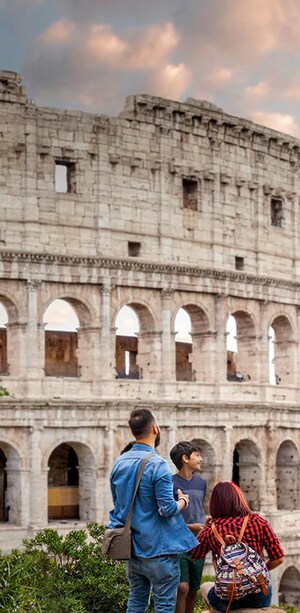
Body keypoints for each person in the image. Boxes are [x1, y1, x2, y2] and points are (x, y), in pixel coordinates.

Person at [108, 408, 199, 613]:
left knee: (136, 602)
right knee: (164, 606)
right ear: (155, 429)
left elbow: (120, 505)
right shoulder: (159, 465)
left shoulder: (119, 463)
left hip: (133, 548)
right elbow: (166, 509)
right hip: (159, 550)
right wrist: (183, 502)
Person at [192, 481, 284, 612]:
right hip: (260, 595)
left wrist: (205, 528)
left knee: (205, 586)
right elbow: (279, 558)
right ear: (239, 499)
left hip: (228, 597)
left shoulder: (212, 529)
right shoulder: (259, 522)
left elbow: (194, 554)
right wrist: (255, 573)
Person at [170, 441, 207, 613]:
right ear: (185, 458)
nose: (201, 459)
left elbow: (199, 510)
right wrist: (191, 526)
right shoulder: (170, 483)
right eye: (197, 455)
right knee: (182, 587)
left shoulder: (201, 483)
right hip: (178, 541)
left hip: (199, 542)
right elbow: (168, 514)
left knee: (193, 588)